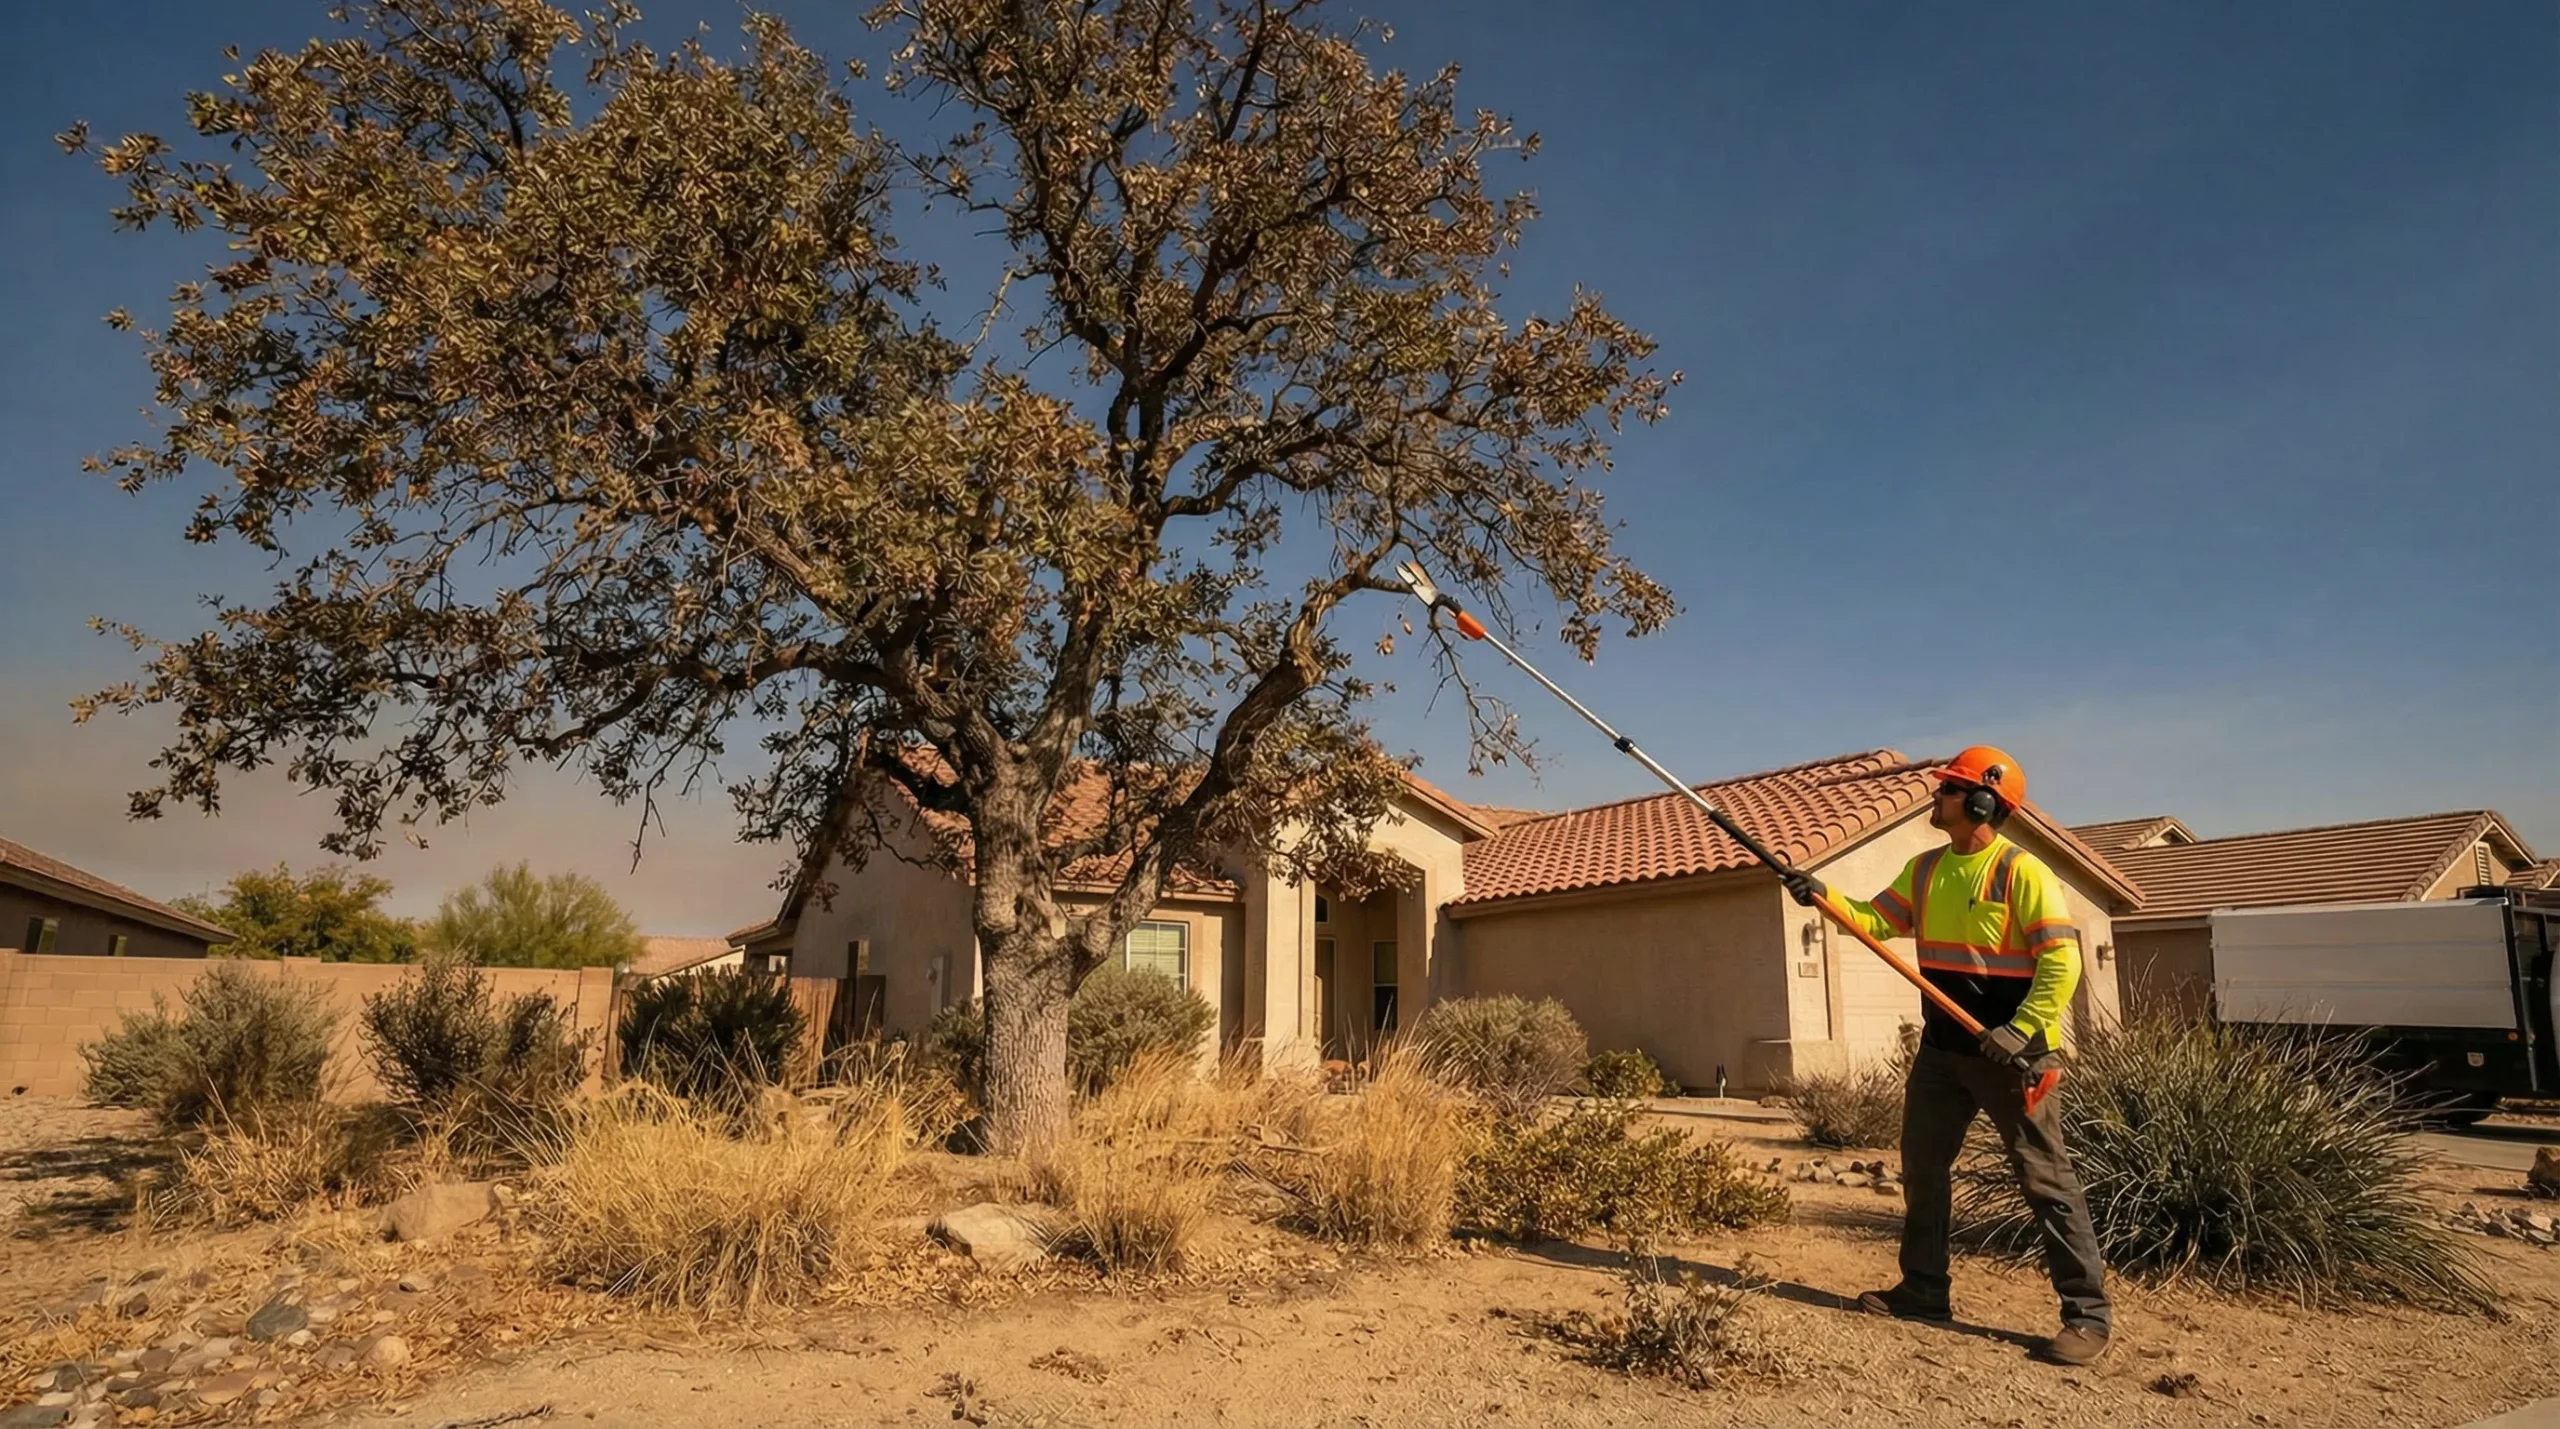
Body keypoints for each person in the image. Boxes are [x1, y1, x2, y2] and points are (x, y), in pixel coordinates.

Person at [1780, 746, 2112, 1366]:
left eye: (1948, 791)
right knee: (1923, 1169)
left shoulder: (2021, 872)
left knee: (2047, 1182)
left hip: (2016, 1059)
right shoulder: (1926, 870)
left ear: (1984, 802)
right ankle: (1924, 1291)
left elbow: (2061, 962)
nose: (1937, 798)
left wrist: (2023, 1027)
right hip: (1942, 1052)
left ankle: (2087, 1317)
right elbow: (1874, 921)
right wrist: (1821, 896)